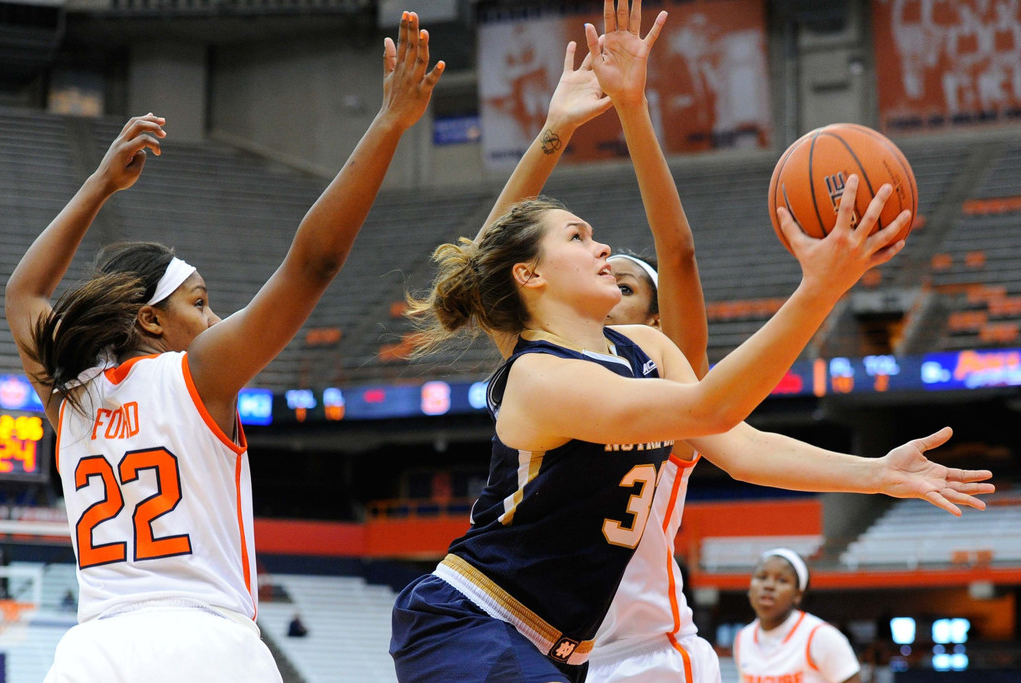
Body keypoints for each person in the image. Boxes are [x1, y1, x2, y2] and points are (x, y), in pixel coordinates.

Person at [388, 3, 992, 681]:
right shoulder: (537, 372)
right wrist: (818, 290)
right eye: (578, 237)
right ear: (530, 277)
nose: (604, 246)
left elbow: (742, 442)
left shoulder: (651, 356)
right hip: (475, 619)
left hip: (562, 649)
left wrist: (876, 471)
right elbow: (495, 258)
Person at [5, 12, 442, 683]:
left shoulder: (72, 401)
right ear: (151, 322)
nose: (215, 319)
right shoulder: (199, 374)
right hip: (204, 644)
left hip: (92, 654)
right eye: (200, 301)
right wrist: (387, 124)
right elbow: (313, 263)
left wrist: (99, 184)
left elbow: (23, 295)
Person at [467, 4, 717, 679]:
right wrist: (554, 132)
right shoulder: (554, 369)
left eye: (629, 292)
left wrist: (635, 110)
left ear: (659, 326)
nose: (612, 293)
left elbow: (682, 254)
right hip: (546, 643)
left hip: (646, 656)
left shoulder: (666, 376)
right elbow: (487, 268)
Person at [734, 548, 861, 683]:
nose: (769, 585)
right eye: (762, 577)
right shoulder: (743, 638)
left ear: (798, 595)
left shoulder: (820, 636)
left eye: (782, 580)